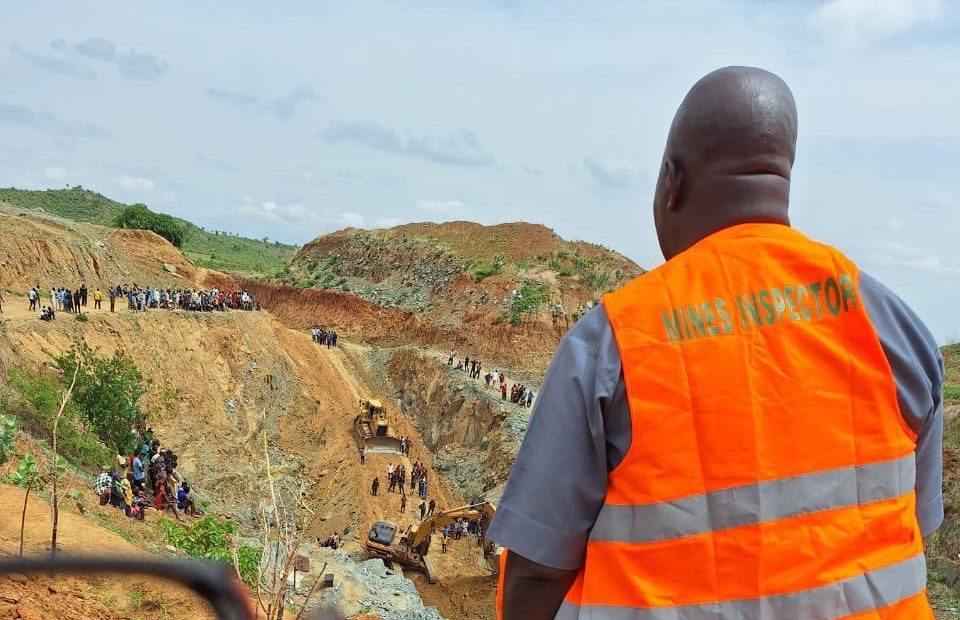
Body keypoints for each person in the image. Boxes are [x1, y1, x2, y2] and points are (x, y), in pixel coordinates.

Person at [489, 67, 944, 620]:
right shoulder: (896, 330)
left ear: (671, 181)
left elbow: (537, 571)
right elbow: (906, 527)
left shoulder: (613, 344)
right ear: (782, 178)